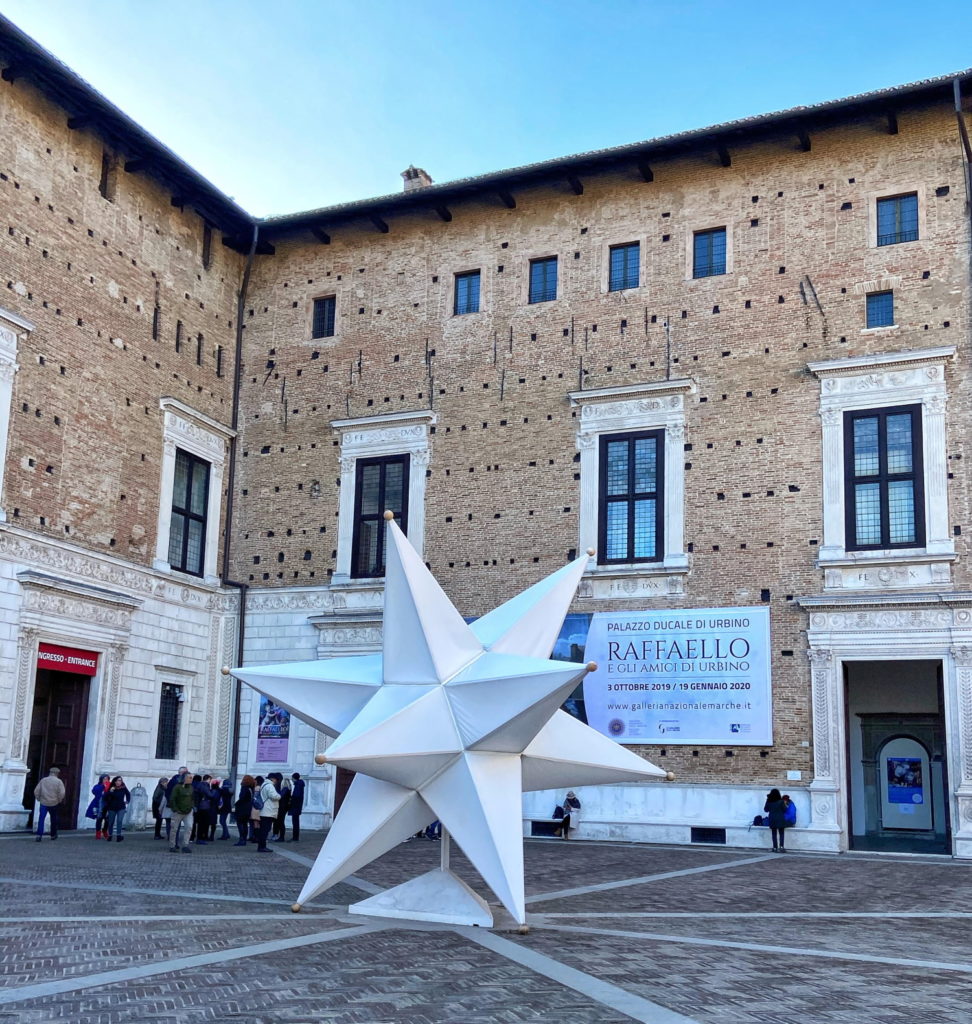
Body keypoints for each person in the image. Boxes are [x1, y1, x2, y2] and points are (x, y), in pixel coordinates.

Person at [34, 766, 65, 841]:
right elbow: (62, 792)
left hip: (43, 802)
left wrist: (38, 798)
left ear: (50, 772)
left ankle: (39, 835)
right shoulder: (59, 782)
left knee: (41, 818)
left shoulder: (43, 780)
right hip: (54, 803)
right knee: (53, 819)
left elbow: (36, 791)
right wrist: (59, 800)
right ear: (57, 773)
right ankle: (53, 834)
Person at [168, 772, 194, 853]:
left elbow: (192, 798)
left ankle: (185, 845)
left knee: (189, 827)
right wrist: (175, 809)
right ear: (185, 778)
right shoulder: (177, 787)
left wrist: (192, 806)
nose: (191, 779)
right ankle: (172, 845)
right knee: (174, 829)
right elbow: (172, 799)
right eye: (189, 777)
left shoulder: (191, 787)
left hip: (188, 811)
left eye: (191, 777)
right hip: (178, 812)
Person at [256, 772, 281, 853]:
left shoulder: (264, 784)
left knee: (263, 829)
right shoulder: (270, 785)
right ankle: (262, 847)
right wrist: (280, 796)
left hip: (264, 810)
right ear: (273, 779)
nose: (276, 781)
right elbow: (274, 796)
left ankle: (261, 846)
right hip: (268, 811)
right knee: (265, 830)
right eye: (276, 780)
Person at [104, 776, 131, 841]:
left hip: (121, 807)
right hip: (112, 807)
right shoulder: (112, 788)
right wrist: (110, 791)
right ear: (115, 781)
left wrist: (127, 801)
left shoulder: (123, 788)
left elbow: (128, 794)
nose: (119, 782)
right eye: (118, 780)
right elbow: (105, 797)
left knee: (119, 821)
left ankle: (119, 835)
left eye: (120, 780)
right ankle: (110, 835)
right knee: (111, 822)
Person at [86, 773, 111, 839]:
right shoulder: (98, 786)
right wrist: (103, 786)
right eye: (104, 779)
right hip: (98, 805)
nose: (106, 780)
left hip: (107, 805)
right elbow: (94, 791)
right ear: (101, 779)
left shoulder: (110, 786)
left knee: (107, 819)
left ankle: (105, 831)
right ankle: (98, 833)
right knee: (99, 819)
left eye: (107, 779)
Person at [233, 775, 255, 846]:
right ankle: (244, 839)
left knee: (240, 824)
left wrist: (236, 804)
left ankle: (242, 839)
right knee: (245, 824)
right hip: (248, 808)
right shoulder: (251, 788)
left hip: (242, 808)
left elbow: (242, 798)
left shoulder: (244, 788)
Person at [764, 788, 787, 852]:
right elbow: (784, 810)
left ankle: (775, 847)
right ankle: (781, 847)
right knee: (781, 833)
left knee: (774, 833)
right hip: (780, 818)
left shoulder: (769, 801)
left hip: (772, 818)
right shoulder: (781, 801)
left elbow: (766, 810)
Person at [272, 776, 291, 842]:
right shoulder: (288, 789)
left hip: (282, 808)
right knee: (281, 822)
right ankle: (281, 836)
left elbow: (280, 796)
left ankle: (281, 837)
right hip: (284, 807)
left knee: (281, 822)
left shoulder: (285, 789)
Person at [288, 772, 305, 842]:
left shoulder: (298, 785)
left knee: (295, 822)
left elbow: (296, 796)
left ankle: (295, 837)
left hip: (295, 806)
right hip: (297, 806)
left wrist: (291, 800)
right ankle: (295, 836)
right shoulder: (300, 785)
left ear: (294, 778)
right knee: (296, 822)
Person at [249, 776, 265, 842]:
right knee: (258, 823)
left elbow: (254, 798)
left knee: (256, 823)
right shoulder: (262, 788)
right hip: (260, 807)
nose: (254, 782)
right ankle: (258, 837)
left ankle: (256, 838)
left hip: (255, 807)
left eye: (255, 780)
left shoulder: (257, 788)